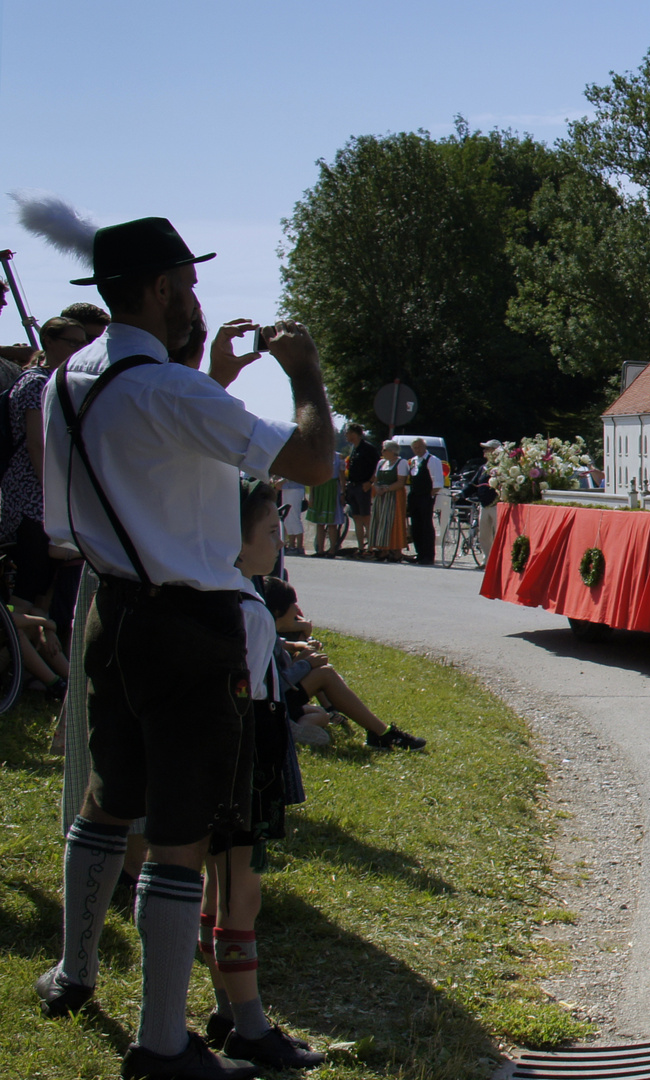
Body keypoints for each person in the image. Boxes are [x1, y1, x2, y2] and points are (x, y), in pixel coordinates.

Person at [34, 216, 333, 1080]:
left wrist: (215, 380)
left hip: (112, 610)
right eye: (188, 284)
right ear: (161, 288)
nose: (197, 298)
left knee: (105, 799)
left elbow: (70, 517)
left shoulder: (69, 381)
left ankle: (73, 971)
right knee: (178, 836)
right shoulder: (168, 390)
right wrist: (304, 368)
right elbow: (311, 458)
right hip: (186, 624)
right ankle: (163, 1043)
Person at [195, 480, 323, 1069]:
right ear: (235, 543)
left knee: (216, 889)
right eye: (270, 532)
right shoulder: (245, 607)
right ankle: (249, 1026)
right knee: (239, 893)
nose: (279, 542)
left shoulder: (215, 593)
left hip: (222, 753)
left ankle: (227, 1008)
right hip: (244, 757)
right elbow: (245, 693)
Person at [259, 576, 427, 750]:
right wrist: (306, 664)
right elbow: (273, 682)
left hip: (277, 698)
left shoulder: (265, 628)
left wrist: (303, 653)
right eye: (292, 604)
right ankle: (382, 733)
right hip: (271, 701)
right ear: (278, 611)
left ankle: (293, 729)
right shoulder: (261, 634)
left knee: (320, 715)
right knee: (325, 674)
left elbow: (282, 649)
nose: (296, 610)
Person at [2, 318, 89, 613]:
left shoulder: (61, 381)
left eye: (84, 342)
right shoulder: (36, 382)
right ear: (48, 341)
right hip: (31, 495)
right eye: (72, 342)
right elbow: (36, 443)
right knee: (31, 580)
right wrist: (53, 492)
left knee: (46, 588)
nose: (80, 348)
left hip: (46, 496)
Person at [368, 440, 408, 561]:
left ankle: (396, 551)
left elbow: (401, 482)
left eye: (384, 449)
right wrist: (376, 487)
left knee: (393, 522)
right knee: (380, 521)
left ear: (392, 451)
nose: (382, 452)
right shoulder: (381, 463)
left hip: (393, 496)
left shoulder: (401, 463)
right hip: (381, 496)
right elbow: (375, 478)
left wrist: (387, 489)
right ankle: (382, 549)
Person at [342, 423, 378, 555]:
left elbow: (377, 466)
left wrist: (370, 482)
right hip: (353, 486)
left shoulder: (368, 449)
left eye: (348, 433)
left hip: (363, 486)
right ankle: (361, 547)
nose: (346, 435)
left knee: (366, 518)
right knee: (356, 517)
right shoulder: (354, 448)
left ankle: (371, 548)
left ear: (354, 434)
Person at [407, 437, 443, 566]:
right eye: (414, 448)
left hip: (426, 496)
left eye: (419, 447)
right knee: (415, 525)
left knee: (426, 525)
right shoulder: (413, 461)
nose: (417, 450)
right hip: (414, 496)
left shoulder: (433, 460)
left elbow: (438, 481)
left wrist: (430, 496)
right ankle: (420, 553)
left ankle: (428, 555)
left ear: (424, 447)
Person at [304, 449, 345, 556]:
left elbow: (342, 476)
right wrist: (312, 496)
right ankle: (320, 550)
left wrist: (342, 492)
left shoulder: (338, 457)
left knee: (332, 523)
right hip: (319, 488)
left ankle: (332, 550)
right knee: (320, 522)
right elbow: (313, 477)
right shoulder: (318, 456)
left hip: (332, 488)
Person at [474, 439, 501, 557]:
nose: (484, 451)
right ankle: (487, 559)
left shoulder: (502, 466)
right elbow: (474, 483)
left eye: (487, 449)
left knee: (498, 534)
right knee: (484, 535)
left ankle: (497, 559)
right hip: (484, 505)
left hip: (497, 505)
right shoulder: (483, 468)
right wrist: (462, 494)